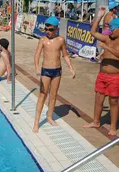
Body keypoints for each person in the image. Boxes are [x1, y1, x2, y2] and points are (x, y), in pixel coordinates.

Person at [32, 16, 75, 133]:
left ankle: (49, 117)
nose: (48, 32)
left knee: (54, 95)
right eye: (46, 29)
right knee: (42, 95)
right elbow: (37, 55)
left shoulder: (61, 40)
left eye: (50, 29)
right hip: (45, 70)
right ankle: (36, 121)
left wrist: (71, 68)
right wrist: (36, 68)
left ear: (56, 29)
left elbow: (65, 55)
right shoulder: (43, 40)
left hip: (57, 70)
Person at [83, 8, 119, 136]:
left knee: (113, 102)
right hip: (102, 75)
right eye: (109, 29)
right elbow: (93, 32)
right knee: (98, 99)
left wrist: (106, 47)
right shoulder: (107, 38)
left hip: (115, 77)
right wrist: (98, 17)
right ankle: (96, 121)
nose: (110, 32)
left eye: (112, 29)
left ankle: (113, 127)